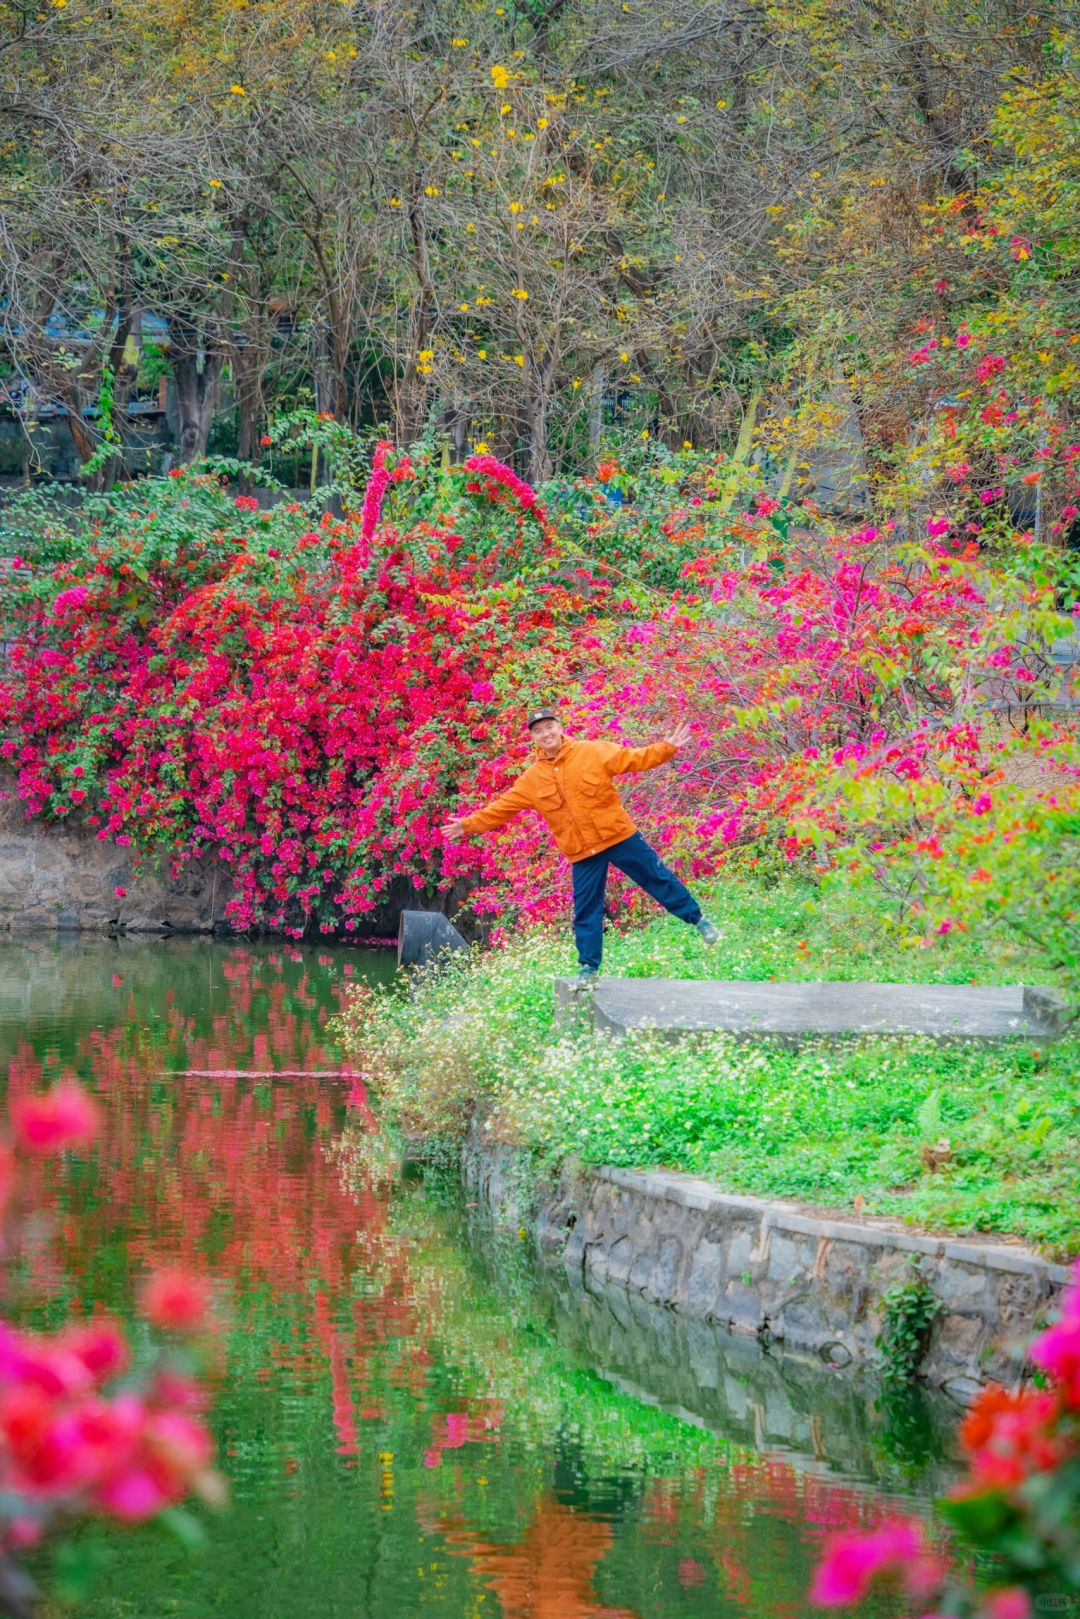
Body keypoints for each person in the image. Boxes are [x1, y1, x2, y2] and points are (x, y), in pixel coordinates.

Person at [441, 707, 721, 982]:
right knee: (586, 909)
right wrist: (467, 824)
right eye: (538, 731)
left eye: (549, 727)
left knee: (657, 878)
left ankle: (699, 921)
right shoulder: (532, 780)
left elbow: (634, 759)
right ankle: (589, 969)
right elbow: (501, 809)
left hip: (619, 835)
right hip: (582, 852)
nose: (545, 733)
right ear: (534, 738)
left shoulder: (593, 752)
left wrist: (666, 748)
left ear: (559, 727)